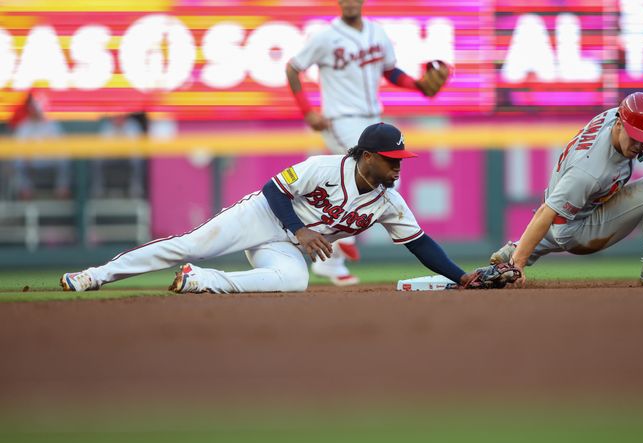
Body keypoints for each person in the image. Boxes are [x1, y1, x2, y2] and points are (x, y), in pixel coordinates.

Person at [60, 123, 518, 293]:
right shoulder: (324, 166)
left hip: (288, 245)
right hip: (261, 215)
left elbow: (421, 245)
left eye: (402, 160)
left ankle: (200, 283)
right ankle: (94, 276)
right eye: (393, 160)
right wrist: (298, 231)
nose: (399, 167)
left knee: (295, 281)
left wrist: (462, 277)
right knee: (188, 243)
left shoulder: (388, 202)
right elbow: (274, 189)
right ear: (369, 157)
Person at [285, 0, 447, 286]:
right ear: (338, 0)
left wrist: (416, 86)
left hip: (372, 117)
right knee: (375, 179)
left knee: (376, 182)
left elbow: (389, 70)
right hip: (340, 118)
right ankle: (341, 241)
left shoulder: (377, 32)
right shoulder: (326, 36)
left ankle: (332, 259)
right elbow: (293, 67)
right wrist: (308, 111)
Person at [489, 92, 643, 286]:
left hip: (574, 210)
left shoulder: (620, 116)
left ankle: (513, 252)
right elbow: (546, 213)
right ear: (619, 123)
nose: (639, 145)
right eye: (635, 137)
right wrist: (518, 266)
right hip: (574, 228)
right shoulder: (590, 169)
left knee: (571, 209)